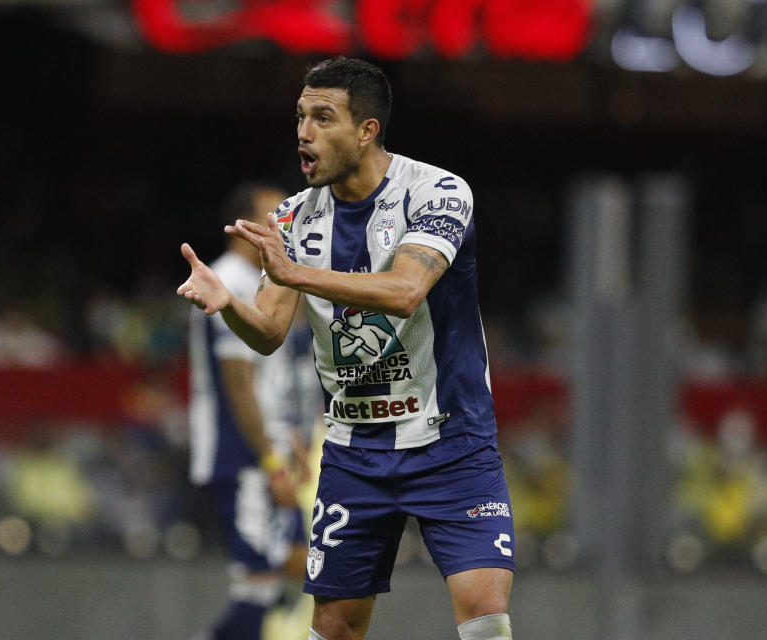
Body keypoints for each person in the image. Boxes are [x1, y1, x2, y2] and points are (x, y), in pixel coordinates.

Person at [178, 57, 515, 640]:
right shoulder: (293, 218)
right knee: (334, 626)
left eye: (323, 117)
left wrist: (295, 274)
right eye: (301, 116)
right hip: (354, 452)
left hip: (451, 442)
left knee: (485, 614)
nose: (304, 131)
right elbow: (270, 333)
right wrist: (229, 305)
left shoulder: (436, 192)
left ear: (367, 130)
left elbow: (407, 291)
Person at [187, 182, 316, 640]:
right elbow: (238, 387)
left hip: (267, 446)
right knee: (259, 581)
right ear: (242, 226)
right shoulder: (227, 280)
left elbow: (270, 383)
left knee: (301, 561)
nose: (283, 226)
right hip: (241, 453)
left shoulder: (260, 280)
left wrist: (290, 440)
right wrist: (269, 459)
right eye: (272, 217)